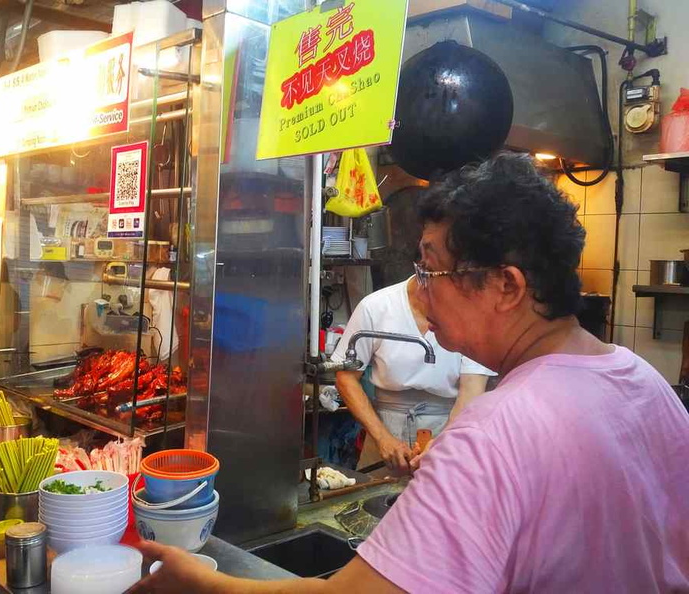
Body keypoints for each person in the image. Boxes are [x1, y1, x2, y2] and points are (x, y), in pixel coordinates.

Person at [127, 152, 689, 593]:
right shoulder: (647, 384)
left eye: (434, 266)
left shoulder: (493, 435)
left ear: (506, 286)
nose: (422, 285)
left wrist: (203, 583)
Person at [331, 239, 495, 474]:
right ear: (422, 270)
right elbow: (346, 377)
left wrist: (441, 445)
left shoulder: (472, 312)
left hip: (448, 430)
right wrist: (382, 438)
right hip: (384, 433)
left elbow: (471, 391)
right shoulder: (376, 307)